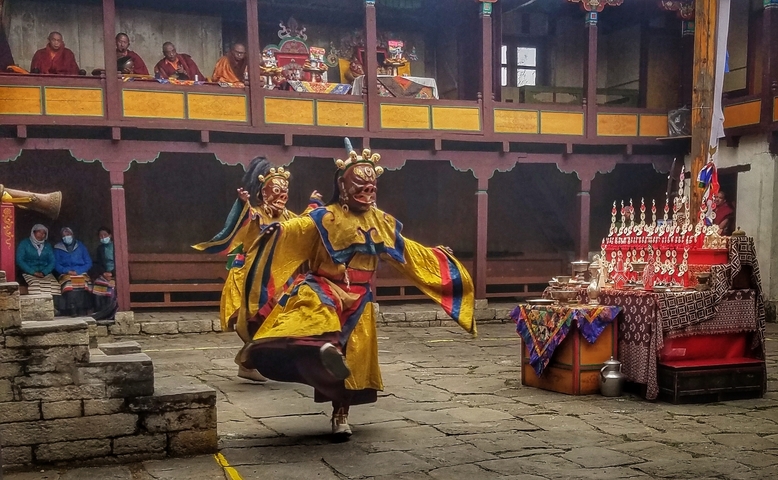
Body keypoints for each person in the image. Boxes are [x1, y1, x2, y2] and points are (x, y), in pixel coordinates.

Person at [236, 140, 475, 439]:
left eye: (371, 186)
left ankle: (340, 412)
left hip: (360, 299)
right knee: (308, 324)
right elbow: (294, 231)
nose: (367, 190)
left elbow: (407, 252)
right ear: (342, 185)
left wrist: (437, 257)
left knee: (353, 364)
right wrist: (277, 230)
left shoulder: (381, 222)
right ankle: (322, 349)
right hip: (323, 287)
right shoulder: (324, 217)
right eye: (359, 184)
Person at [193, 158, 322, 382]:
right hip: (258, 278)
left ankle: (255, 361)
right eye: (276, 191)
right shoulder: (257, 214)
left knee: (287, 318)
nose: (282, 196)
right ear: (263, 194)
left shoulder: (288, 216)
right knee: (259, 320)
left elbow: (304, 226)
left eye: (285, 192)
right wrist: (242, 204)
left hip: (285, 276)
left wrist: (314, 206)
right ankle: (250, 361)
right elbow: (241, 224)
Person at [16, 224, 60, 305]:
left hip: (44, 273)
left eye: (44, 233)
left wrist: (44, 272)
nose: (41, 235)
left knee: (55, 286)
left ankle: (52, 307)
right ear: (33, 232)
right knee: (36, 287)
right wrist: (33, 272)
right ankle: (38, 307)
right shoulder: (24, 243)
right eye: (39, 232)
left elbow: (52, 261)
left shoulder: (47, 245)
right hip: (29, 272)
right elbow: (20, 260)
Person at [53, 227, 93, 317]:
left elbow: (88, 262)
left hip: (80, 271)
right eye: (64, 235)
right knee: (69, 283)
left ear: (72, 235)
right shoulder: (57, 248)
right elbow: (56, 264)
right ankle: (72, 308)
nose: (66, 237)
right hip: (66, 273)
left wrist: (78, 271)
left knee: (85, 283)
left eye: (68, 234)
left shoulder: (81, 246)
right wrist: (66, 271)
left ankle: (83, 307)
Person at [91, 226, 118, 323]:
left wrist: (113, 273)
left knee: (112, 287)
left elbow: (120, 262)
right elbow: (99, 263)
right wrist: (104, 273)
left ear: (110, 235)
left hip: (116, 273)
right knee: (98, 284)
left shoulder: (117, 246)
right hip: (105, 274)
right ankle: (100, 311)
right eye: (100, 236)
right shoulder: (100, 249)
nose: (103, 237)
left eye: (105, 235)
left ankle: (111, 313)